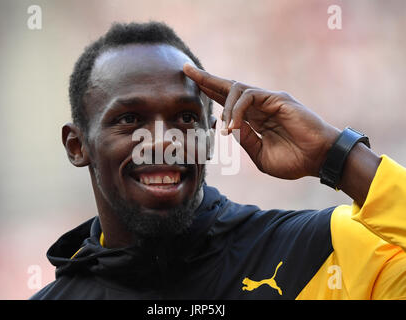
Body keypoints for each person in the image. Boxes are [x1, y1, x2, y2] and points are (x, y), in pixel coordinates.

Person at [31, 21, 406, 300]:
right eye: (130, 119)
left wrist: (336, 155)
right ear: (77, 146)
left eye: (185, 118)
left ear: (211, 137)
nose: (164, 141)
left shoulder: (322, 253)